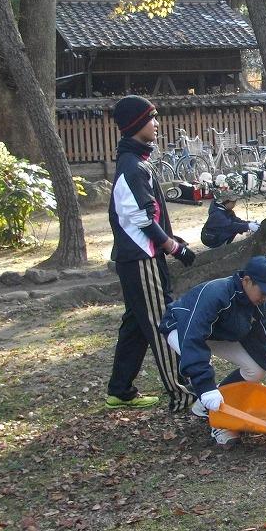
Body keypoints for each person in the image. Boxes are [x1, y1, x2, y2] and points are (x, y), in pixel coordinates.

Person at [105, 94, 197, 413]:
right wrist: (171, 246)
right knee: (161, 323)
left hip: (138, 258)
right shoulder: (132, 166)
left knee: (135, 323)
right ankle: (184, 393)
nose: (157, 124)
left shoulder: (136, 162)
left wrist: (170, 237)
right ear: (136, 124)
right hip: (141, 259)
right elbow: (143, 218)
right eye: (152, 118)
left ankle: (120, 390)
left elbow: (150, 214)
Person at [160, 256, 266, 448]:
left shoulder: (258, 304)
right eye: (263, 291)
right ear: (246, 281)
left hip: (217, 333)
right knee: (202, 364)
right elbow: (193, 338)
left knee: (255, 371)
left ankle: (208, 404)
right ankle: (217, 417)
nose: (265, 297)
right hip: (182, 328)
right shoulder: (216, 295)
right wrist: (206, 387)